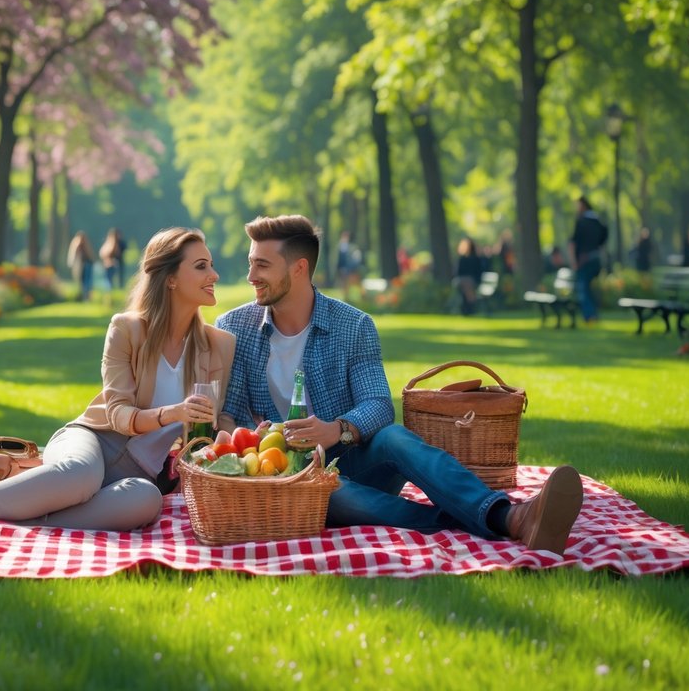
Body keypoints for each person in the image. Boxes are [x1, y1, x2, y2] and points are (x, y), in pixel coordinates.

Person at [217, 214, 584, 554]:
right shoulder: (235, 327)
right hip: (280, 474)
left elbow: (378, 404)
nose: (250, 275)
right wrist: (253, 435)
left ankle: (505, 515)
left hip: (348, 459)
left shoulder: (353, 326)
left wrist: (335, 431)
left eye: (261, 264)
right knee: (325, 492)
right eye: (251, 263)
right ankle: (505, 519)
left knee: (393, 436)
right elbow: (228, 417)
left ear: (298, 269)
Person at [0, 227, 234, 531]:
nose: (214, 275)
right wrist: (171, 413)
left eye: (212, 265)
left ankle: (19, 518)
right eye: (201, 266)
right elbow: (117, 414)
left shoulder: (218, 345)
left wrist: (227, 434)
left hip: (140, 474)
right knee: (78, 477)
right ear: (170, 278)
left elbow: (213, 421)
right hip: (94, 441)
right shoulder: (127, 329)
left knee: (146, 502)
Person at [568, 196, 608, 323]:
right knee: (588, 288)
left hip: (584, 260)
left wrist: (574, 261)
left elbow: (573, 243)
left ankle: (590, 316)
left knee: (583, 288)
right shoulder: (598, 221)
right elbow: (604, 237)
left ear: (583, 206)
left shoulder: (581, 221)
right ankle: (593, 314)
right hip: (596, 259)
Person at [453, 236, 484, 315]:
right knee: (466, 283)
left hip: (471, 281)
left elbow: (478, 272)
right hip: (463, 281)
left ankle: (468, 305)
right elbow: (459, 272)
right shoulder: (462, 258)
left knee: (467, 283)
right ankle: (470, 303)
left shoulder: (476, 259)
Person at [99, 227, 129, 305]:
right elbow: (118, 253)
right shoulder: (114, 244)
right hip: (112, 265)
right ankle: (110, 298)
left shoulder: (107, 243)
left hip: (107, 265)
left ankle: (108, 298)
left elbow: (102, 253)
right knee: (110, 283)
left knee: (108, 282)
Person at [67, 230, 96, 301]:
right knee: (86, 282)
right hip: (83, 265)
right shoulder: (79, 244)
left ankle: (86, 296)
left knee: (86, 281)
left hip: (85, 265)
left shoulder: (81, 244)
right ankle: (86, 297)